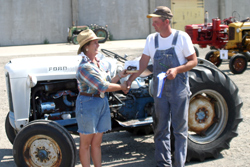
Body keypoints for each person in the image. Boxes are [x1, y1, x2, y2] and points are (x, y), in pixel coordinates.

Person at [125, 6, 198, 167]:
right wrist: (129, 79)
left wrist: (177, 70)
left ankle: (179, 163)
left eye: (156, 22)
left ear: (166, 22)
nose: (153, 25)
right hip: (160, 92)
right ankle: (163, 164)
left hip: (178, 89)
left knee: (179, 130)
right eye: (153, 22)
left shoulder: (181, 37)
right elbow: (143, 64)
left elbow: (193, 61)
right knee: (160, 129)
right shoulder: (152, 39)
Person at [75, 28, 129, 167]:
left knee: (97, 143)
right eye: (94, 43)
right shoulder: (85, 67)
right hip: (88, 104)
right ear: (86, 47)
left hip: (101, 101)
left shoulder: (98, 63)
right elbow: (103, 86)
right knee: (86, 144)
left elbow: (108, 81)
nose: (98, 45)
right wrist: (122, 87)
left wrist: (120, 76)